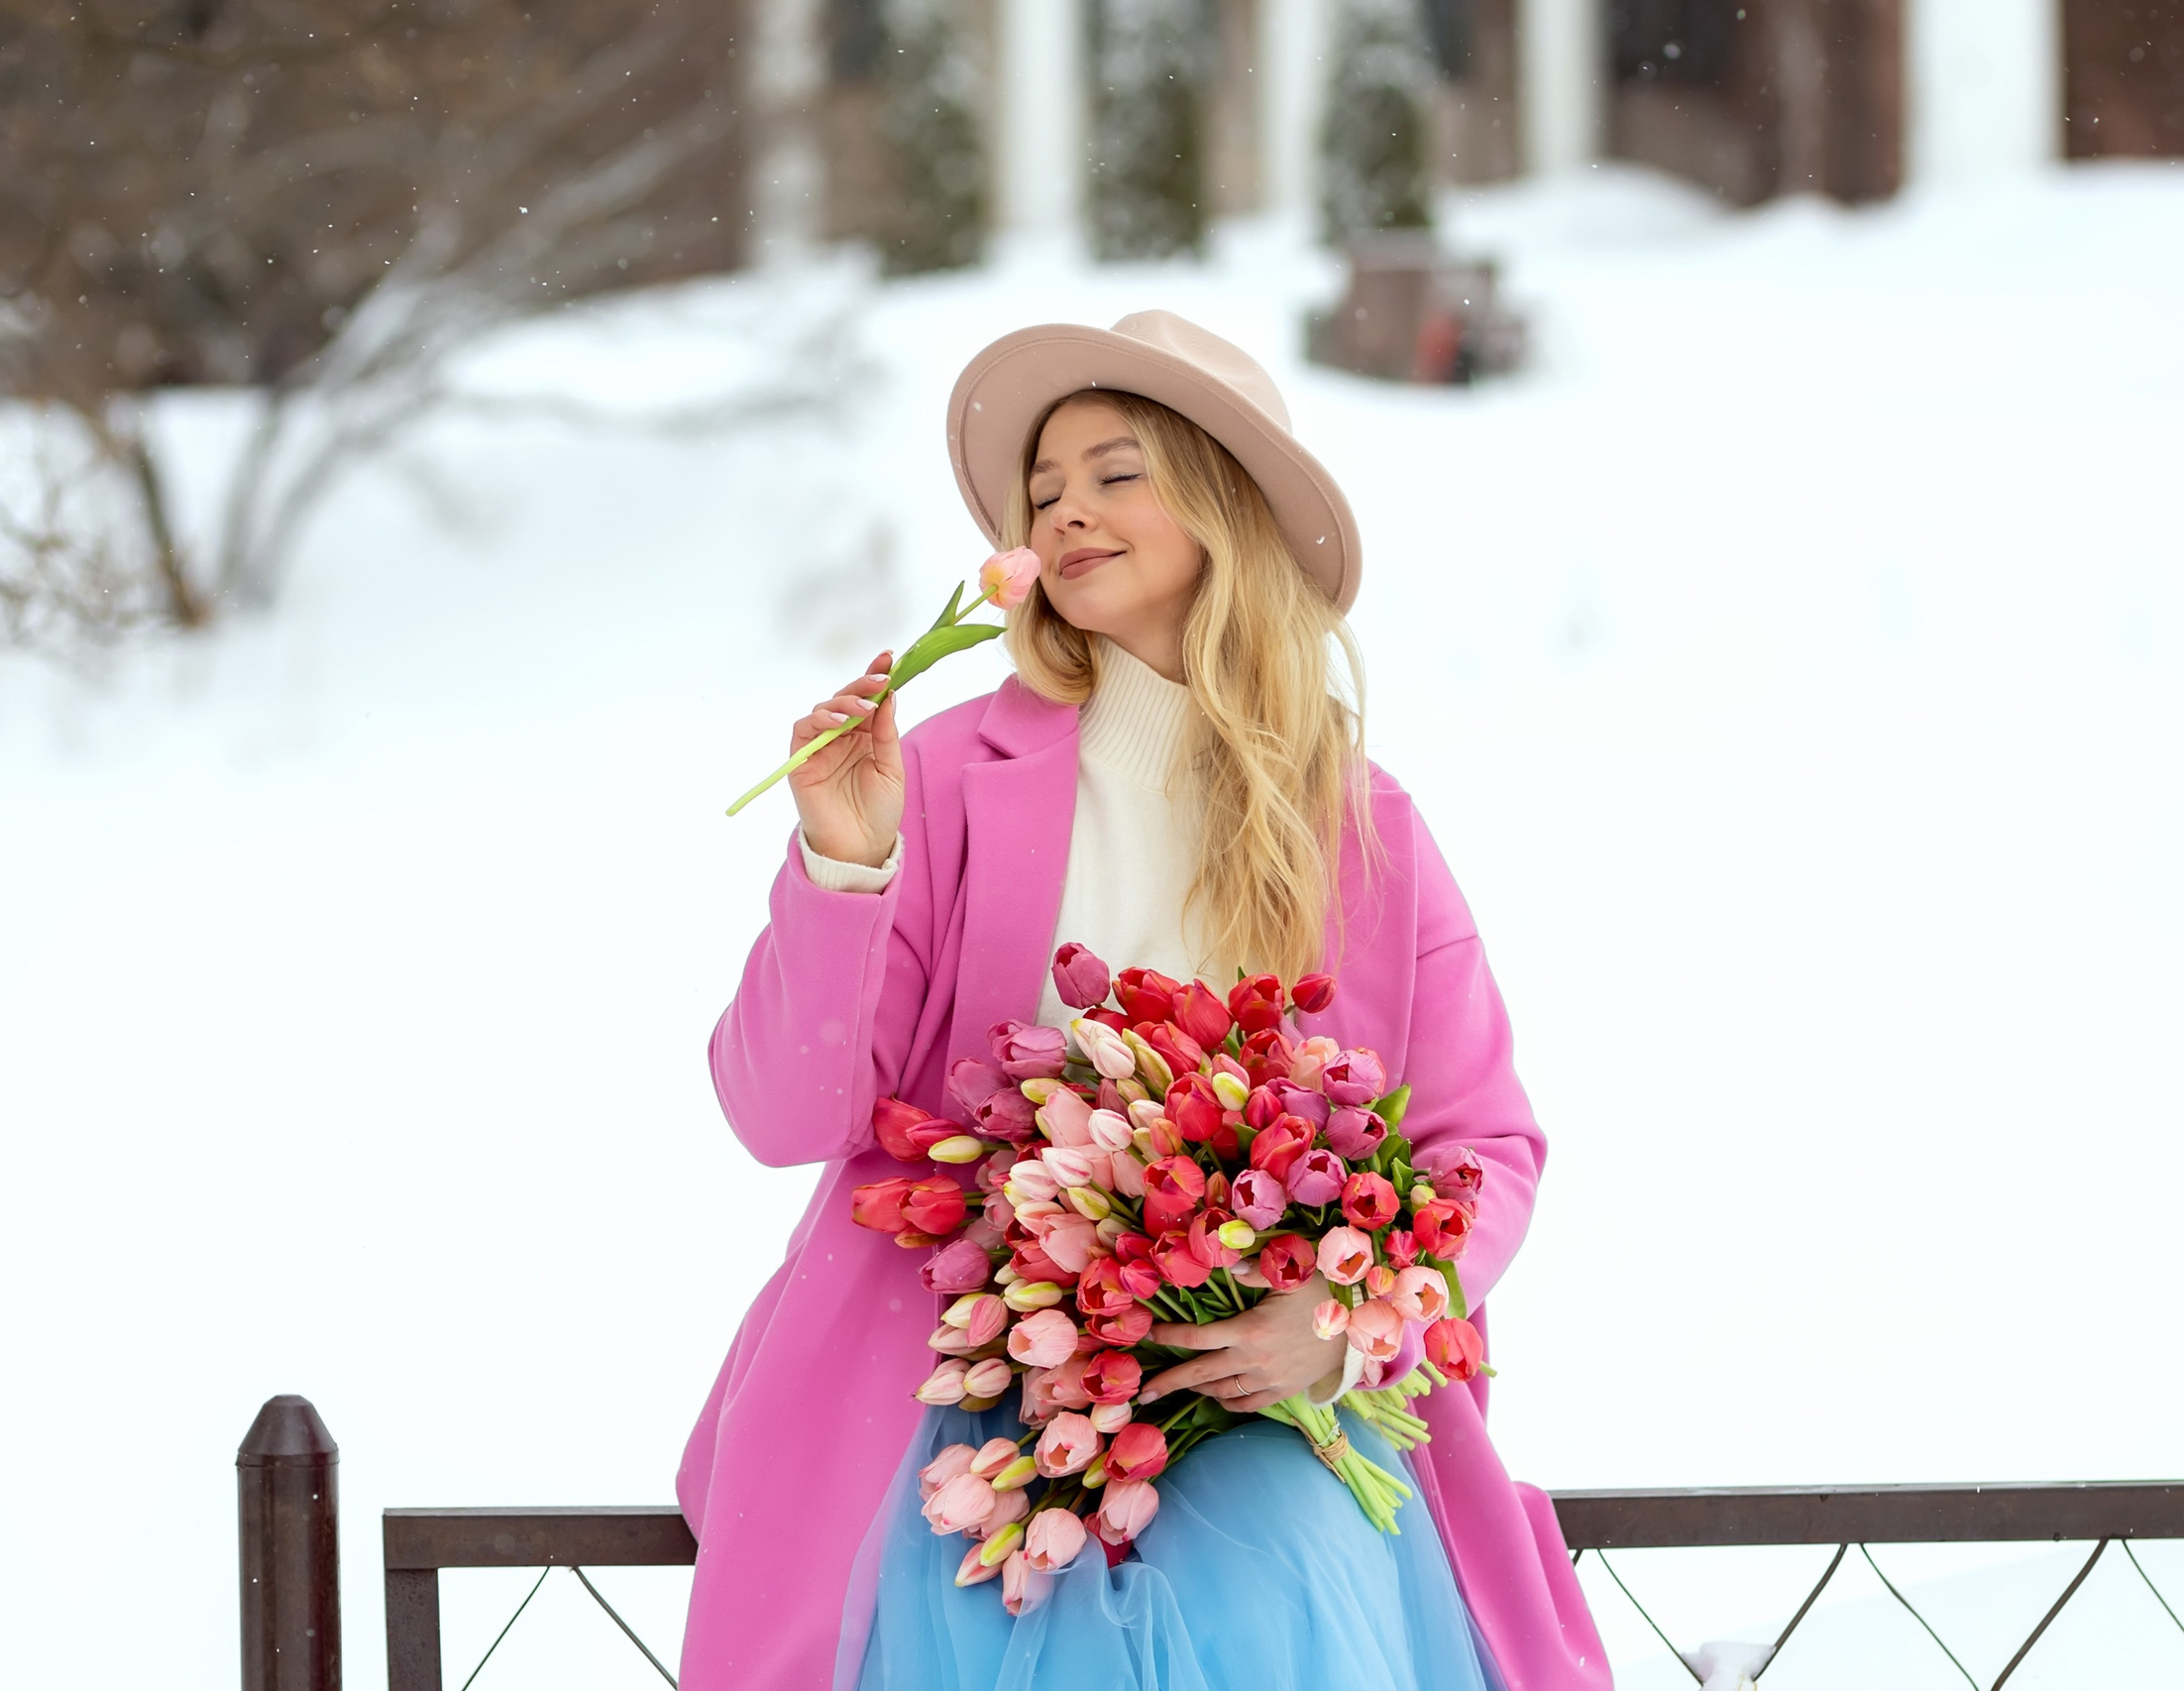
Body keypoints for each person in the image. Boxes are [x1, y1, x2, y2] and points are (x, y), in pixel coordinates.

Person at [677, 312, 1609, 1691]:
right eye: (1044, 490)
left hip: (1272, 1405)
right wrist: (843, 857)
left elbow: (1487, 1148)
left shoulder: (1360, 826)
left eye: (1117, 473)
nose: (1066, 513)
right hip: (958, 1400)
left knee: (1292, 1581)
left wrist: (1354, 1321)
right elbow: (780, 1110)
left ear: (1223, 503)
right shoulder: (932, 779)